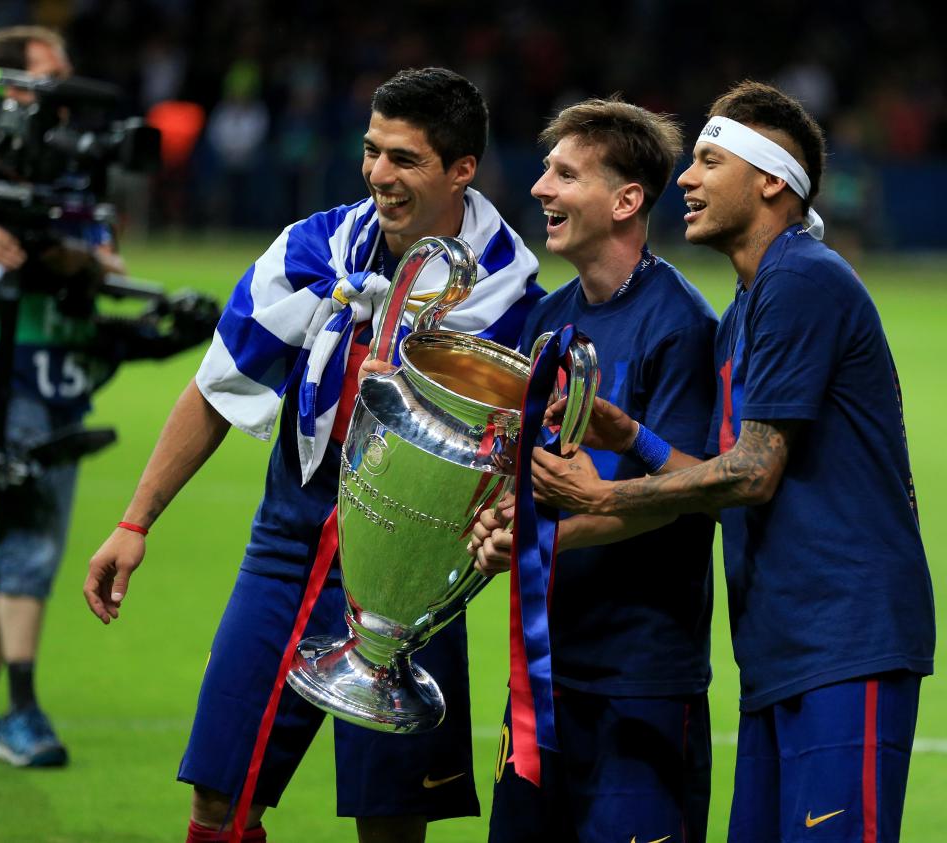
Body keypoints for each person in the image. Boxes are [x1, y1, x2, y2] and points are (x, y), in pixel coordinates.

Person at [83, 67, 542, 843]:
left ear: (462, 169)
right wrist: (136, 520)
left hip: (407, 574)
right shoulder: (316, 249)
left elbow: (512, 457)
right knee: (220, 800)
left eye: (405, 159)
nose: (378, 175)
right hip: (288, 544)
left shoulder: (509, 295)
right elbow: (218, 384)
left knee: (390, 820)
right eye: (372, 152)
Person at [531, 81, 935, 843]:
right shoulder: (746, 306)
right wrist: (632, 439)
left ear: (771, 181)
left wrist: (604, 499)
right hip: (779, 646)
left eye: (709, 162)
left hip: (844, 638)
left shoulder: (801, 276)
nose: (684, 178)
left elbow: (752, 472)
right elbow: (719, 476)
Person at [469, 97, 718, 843]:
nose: (542, 188)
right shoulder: (549, 319)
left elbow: (682, 495)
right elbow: (530, 469)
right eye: (547, 170)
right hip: (545, 675)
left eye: (565, 173)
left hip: (641, 678)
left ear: (625, 200)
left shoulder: (682, 326)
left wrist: (542, 542)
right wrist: (495, 514)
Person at [0, 25, 119, 768]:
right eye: (48, 79)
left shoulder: (66, 173)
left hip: (52, 368)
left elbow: (94, 256)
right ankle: (23, 714)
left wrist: (94, 258)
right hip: (8, 370)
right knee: (31, 546)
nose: (64, 94)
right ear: (7, 90)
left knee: (20, 545)